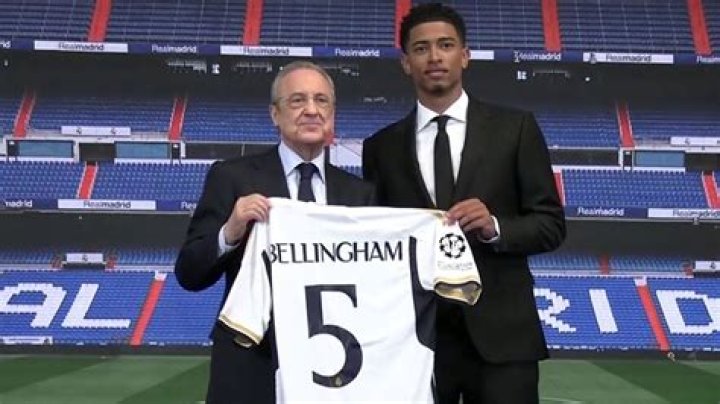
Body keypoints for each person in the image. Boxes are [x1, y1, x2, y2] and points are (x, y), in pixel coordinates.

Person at [362, 3, 566, 404]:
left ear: (465, 55)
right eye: (421, 48)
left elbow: (550, 225)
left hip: (502, 341)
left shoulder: (515, 129)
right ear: (405, 63)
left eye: (446, 45)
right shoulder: (380, 147)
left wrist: (495, 227)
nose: (434, 57)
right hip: (416, 340)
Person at [175, 60, 375, 403]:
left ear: (332, 114)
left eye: (321, 100)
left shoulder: (361, 195)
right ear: (275, 114)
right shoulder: (232, 177)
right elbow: (189, 273)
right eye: (297, 100)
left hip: (335, 362)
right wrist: (230, 231)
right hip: (252, 363)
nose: (311, 110)